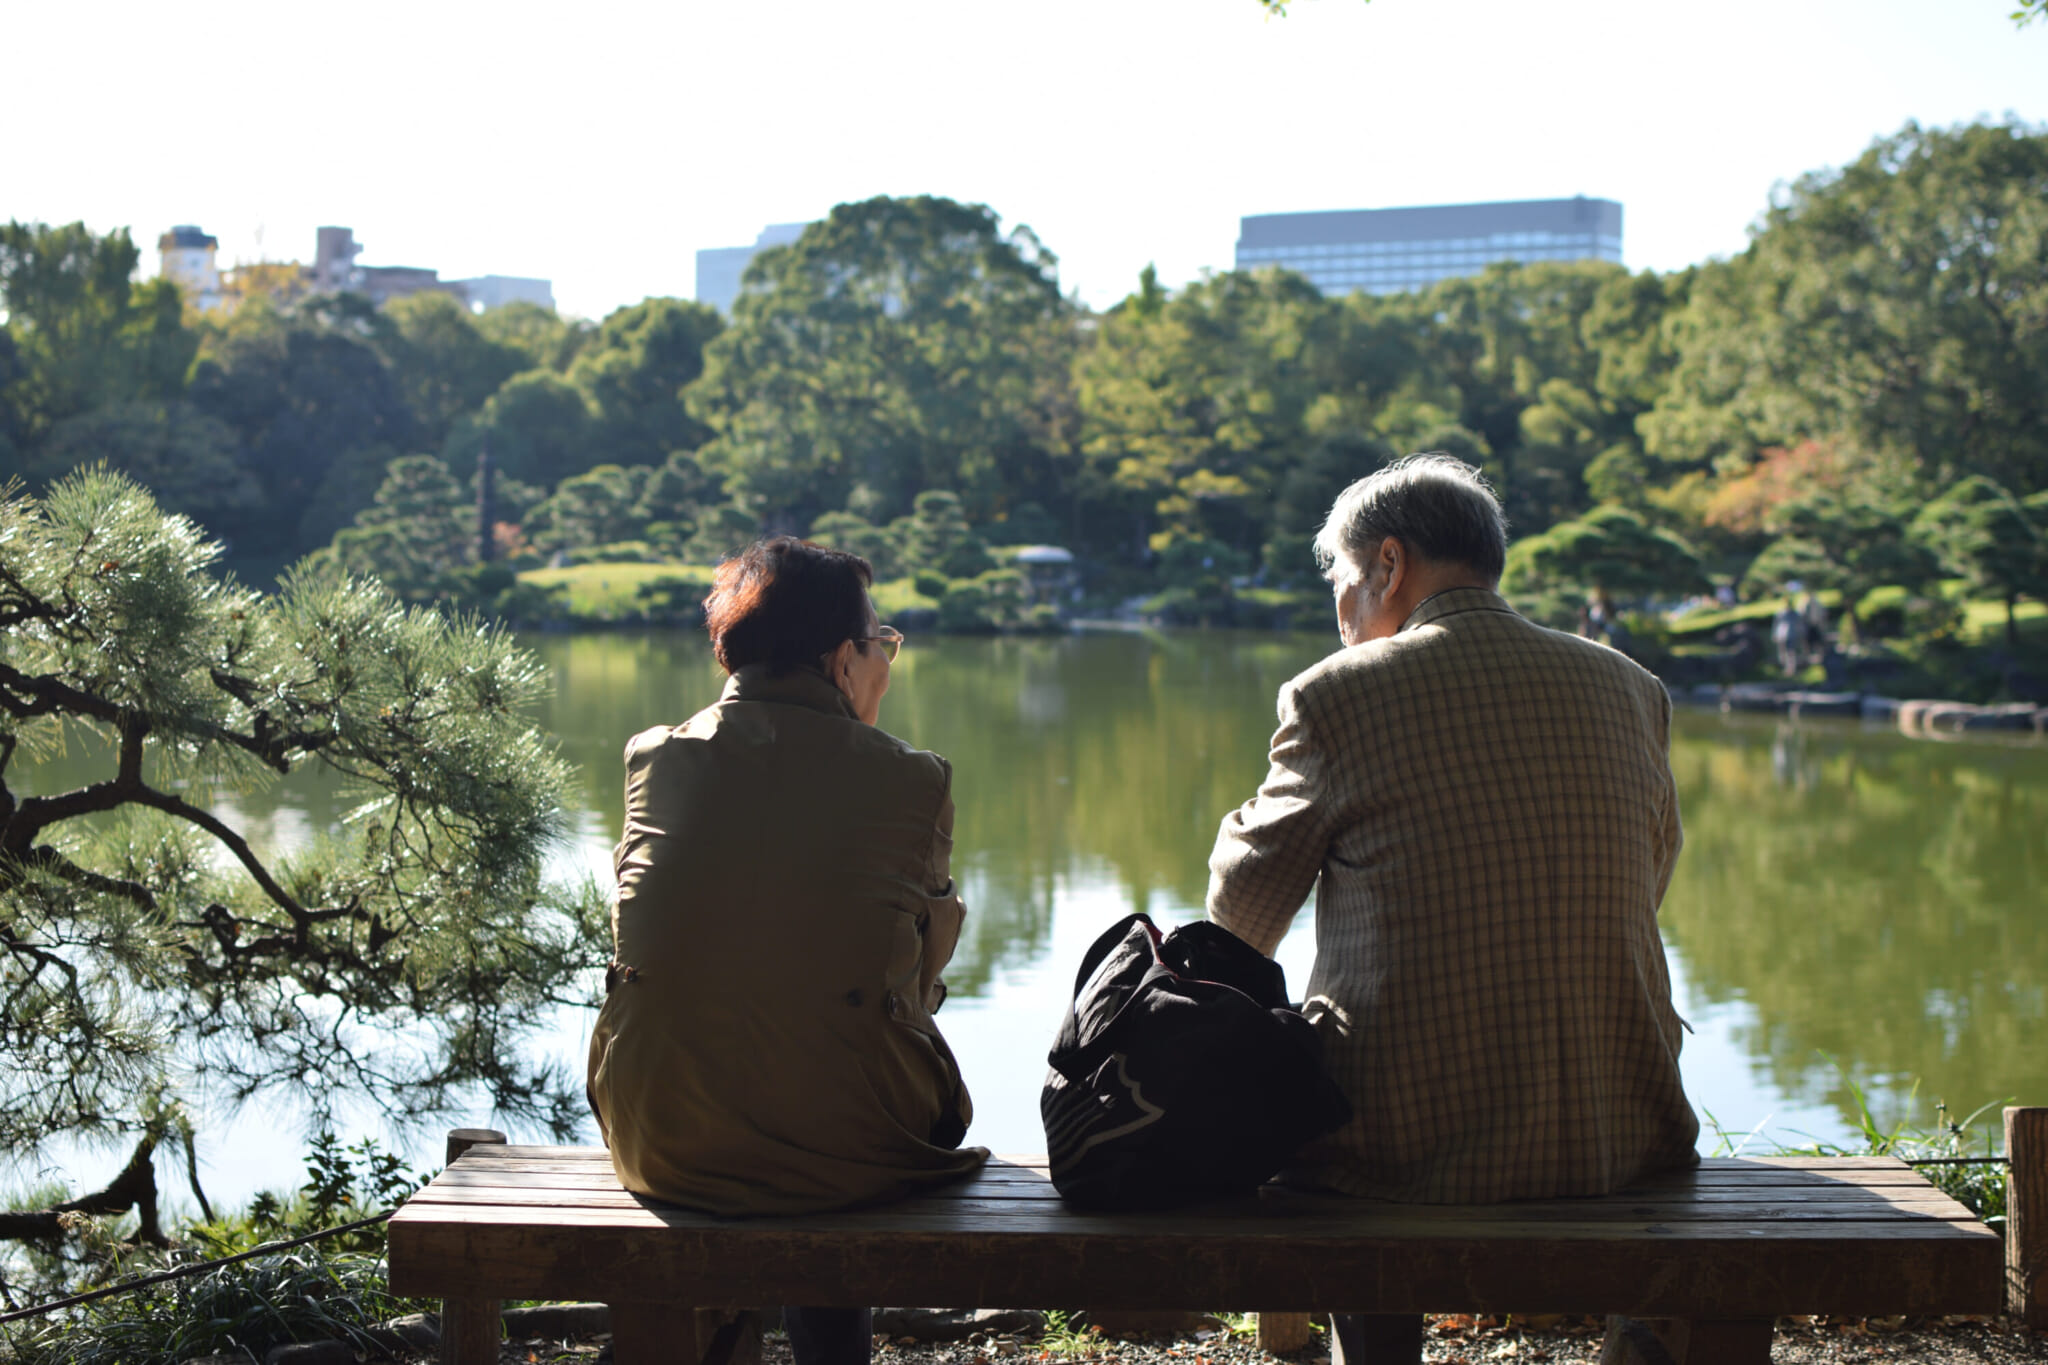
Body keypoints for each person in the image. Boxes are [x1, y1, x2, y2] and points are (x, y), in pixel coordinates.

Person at [1204, 455, 1698, 1365]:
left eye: (1345, 582)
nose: (1342, 611)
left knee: (1312, 1095)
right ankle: (1638, 1327)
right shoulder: (1631, 686)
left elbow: (1237, 922)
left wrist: (1245, 826)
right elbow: (1651, 876)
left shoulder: (1335, 695)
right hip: (1620, 1128)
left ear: (1389, 565)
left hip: (1403, 1154)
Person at [586, 536, 986, 1365]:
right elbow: (917, 982)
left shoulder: (652, 760)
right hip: (849, 1147)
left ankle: (726, 1335)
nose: (885, 660)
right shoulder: (912, 780)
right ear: (843, 659)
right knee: (844, 1076)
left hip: (659, 1133)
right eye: (883, 643)